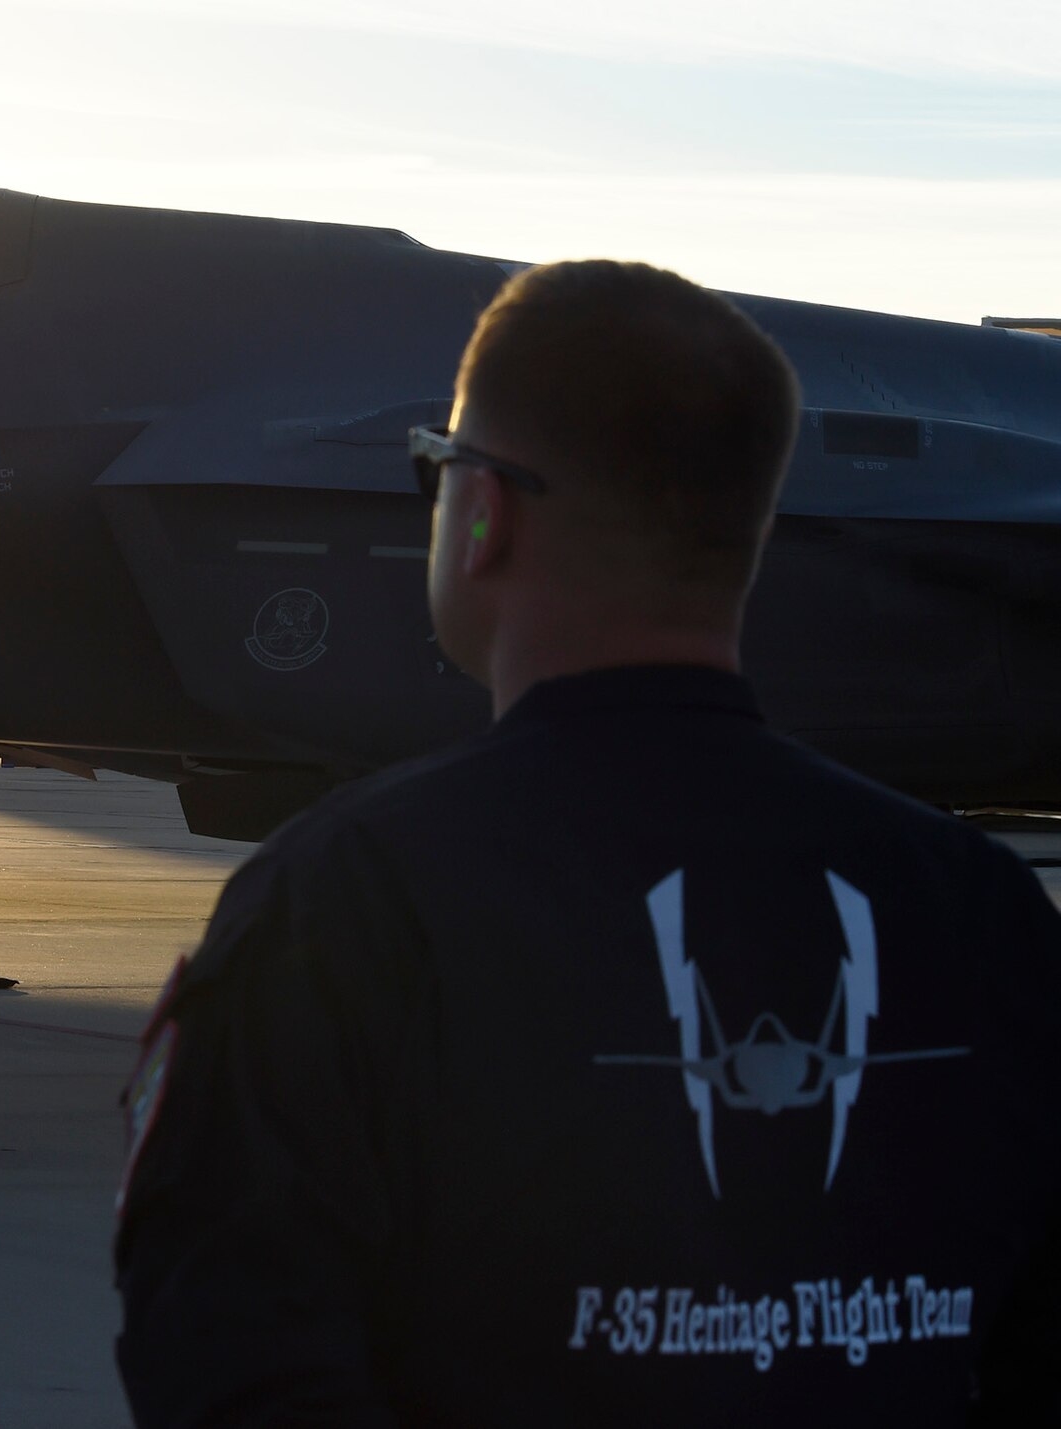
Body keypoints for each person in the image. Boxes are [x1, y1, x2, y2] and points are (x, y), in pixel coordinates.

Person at [113, 260, 1061, 1425]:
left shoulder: (343, 908)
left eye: (435, 471)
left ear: (482, 512)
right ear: (745, 537)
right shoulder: (985, 915)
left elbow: (222, 1360)